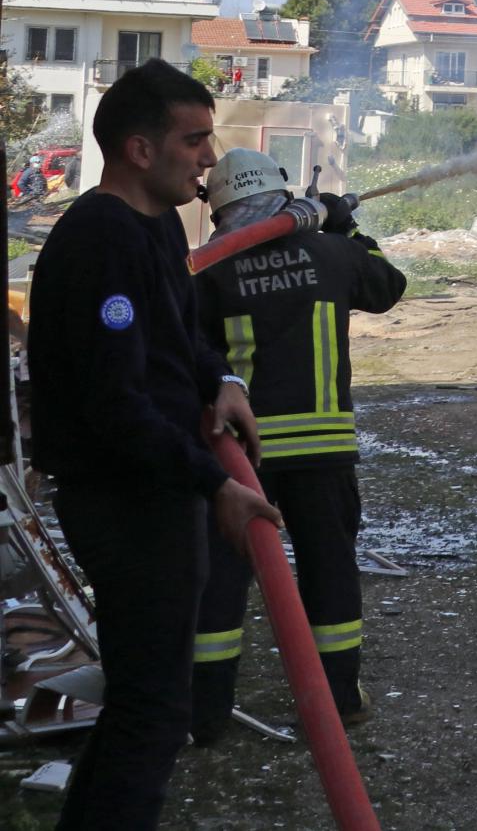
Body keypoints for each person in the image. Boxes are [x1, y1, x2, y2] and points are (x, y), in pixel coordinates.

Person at [25, 61, 279, 830]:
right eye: (194, 139)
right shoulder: (100, 239)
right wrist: (215, 483)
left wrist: (222, 377)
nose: (209, 158)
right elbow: (117, 404)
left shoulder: (160, 224)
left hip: (161, 492)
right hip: (125, 501)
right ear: (140, 149)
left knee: (149, 704)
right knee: (156, 707)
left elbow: (181, 337)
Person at [190, 148, 406, 739]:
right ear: (282, 196)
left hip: (240, 458)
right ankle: (338, 704)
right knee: (329, 572)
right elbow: (389, 285)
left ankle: (204, 715)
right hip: (323, 452)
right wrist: (346, 225)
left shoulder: (208, 270)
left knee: (221, 583)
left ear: (221, 208)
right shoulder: (333, 253)